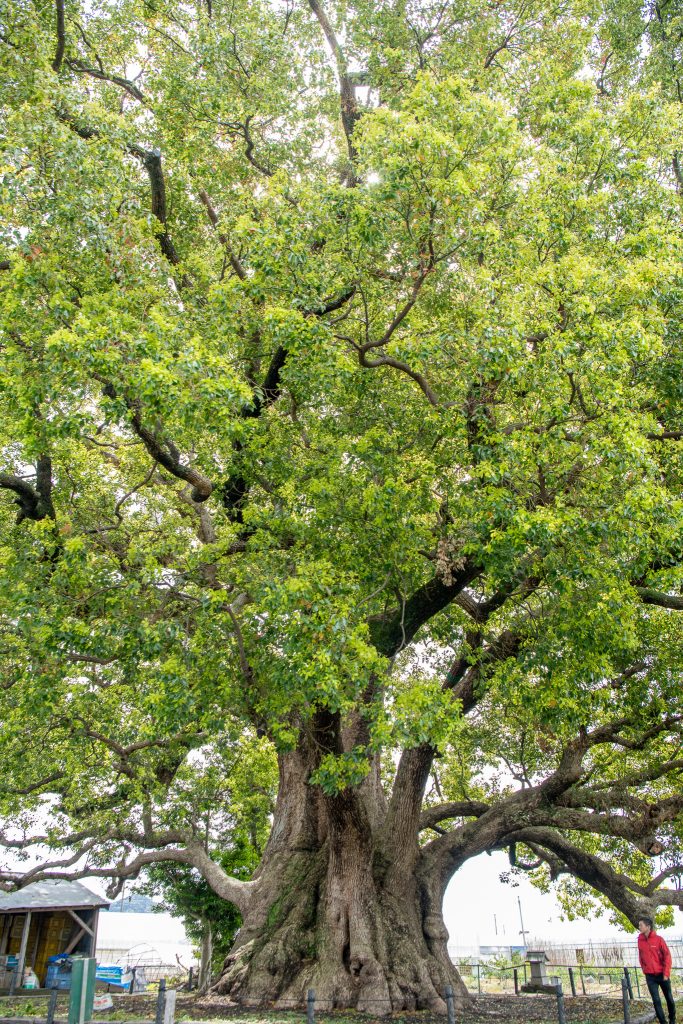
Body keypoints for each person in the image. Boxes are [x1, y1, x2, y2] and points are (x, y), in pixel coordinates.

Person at [638, 916, 676, 1024]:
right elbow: (641, 957)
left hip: (662, 974)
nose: (639, 927)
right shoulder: (640, 940)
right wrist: (644, 969)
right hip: (650, 976)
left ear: (648, 926)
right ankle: (663, 1022)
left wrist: (666, 973)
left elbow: (667, 956)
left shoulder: (659, 939)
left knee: (669, 998)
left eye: (641, 925)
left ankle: (672, 1019)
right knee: (656, 1000)